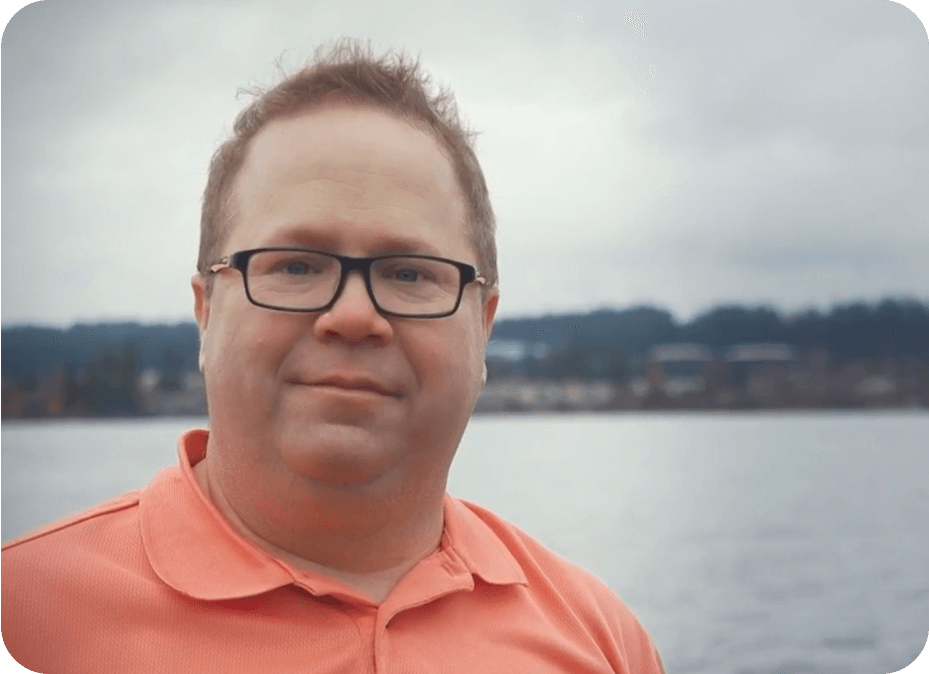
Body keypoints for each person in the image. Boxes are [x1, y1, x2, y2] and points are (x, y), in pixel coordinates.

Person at [2, 40, 665, 673]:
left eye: (409, 273)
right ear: (205, 311)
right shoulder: (27, 613)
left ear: (483, 325)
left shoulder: (599, 639)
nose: (353, 317)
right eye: (295, 265)